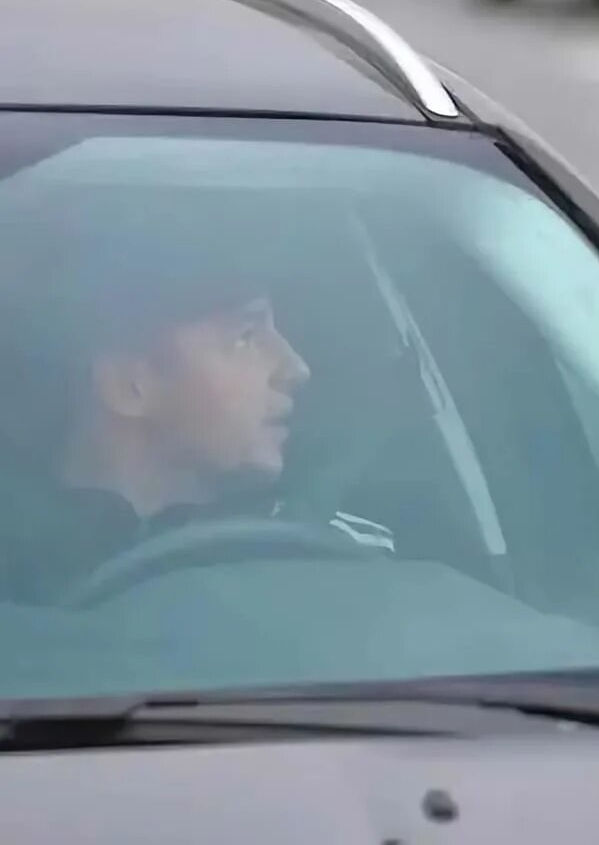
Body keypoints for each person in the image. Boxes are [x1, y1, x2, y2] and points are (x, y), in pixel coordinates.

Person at [0, 197, 393, 604]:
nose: (296, 367)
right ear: (129, 385)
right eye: (246, 337)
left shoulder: (343, 557)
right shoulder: (14, 579)